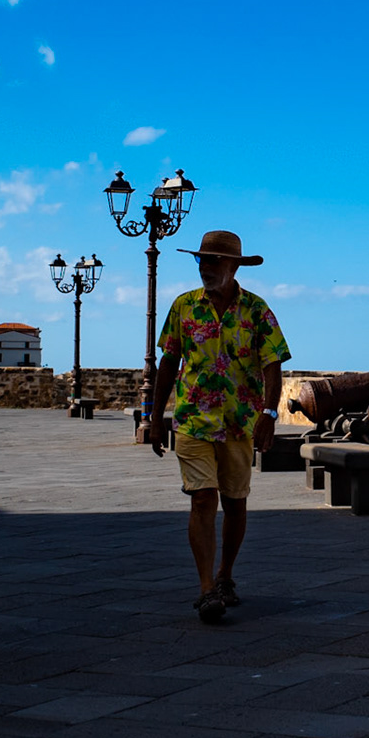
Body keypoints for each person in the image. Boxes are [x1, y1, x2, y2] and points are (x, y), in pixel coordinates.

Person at [148, 230, 290, 624]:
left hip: (239, 422)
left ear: (233, 266)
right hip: (194, 419)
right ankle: (206, 588)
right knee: (202, 498)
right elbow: (167, 363)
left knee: (236, 502)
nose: (205, 268)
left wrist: (269, 414)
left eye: (213, 261)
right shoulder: (184, 307)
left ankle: (226, 574)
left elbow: (273, 366)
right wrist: (154, 417)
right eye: (201, 260)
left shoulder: (257, 311)